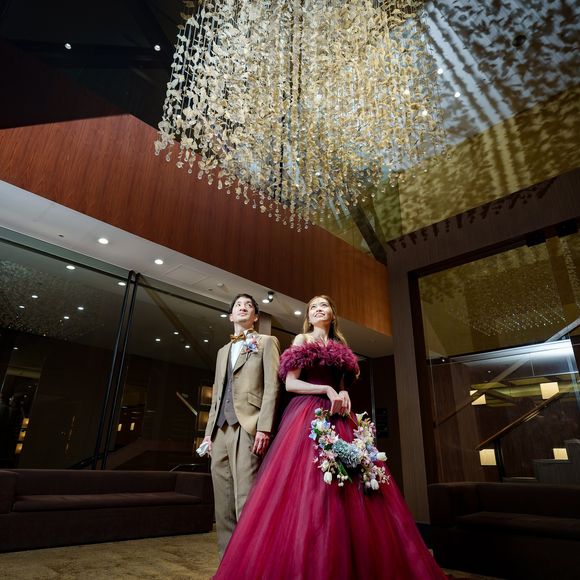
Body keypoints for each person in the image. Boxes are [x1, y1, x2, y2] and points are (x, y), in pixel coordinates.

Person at [213, 295, 446, 579]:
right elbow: (290, 383)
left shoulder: (341, 348)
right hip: (307, 416)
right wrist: (325, 389)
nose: (318, 309)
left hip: (339, 417)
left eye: (323, 306)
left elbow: (343, 385)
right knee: (309, 486)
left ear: (332, 314)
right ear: (308, 316)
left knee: (351, 487)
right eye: (313, 307)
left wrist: (343, 392)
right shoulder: (301, 339)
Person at [201, 293, 281, 557]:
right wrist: (208, 434)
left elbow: (272, 387)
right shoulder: (222, 351)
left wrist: (264, 427)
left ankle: (251, 562)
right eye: (238, 305)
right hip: (220, 431)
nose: (243, 307)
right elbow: (218, 392)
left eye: (249, 305)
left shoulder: (266, 342)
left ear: (255, 316)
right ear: (231, 316)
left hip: (247, 425)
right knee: (222, 504)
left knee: (245, 499)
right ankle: (228, 564)